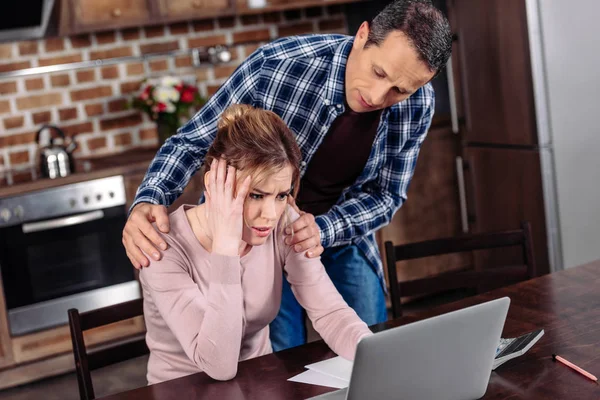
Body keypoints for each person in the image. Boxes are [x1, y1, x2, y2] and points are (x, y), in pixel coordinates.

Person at [123, 0, 452, 351]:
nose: (376, 96)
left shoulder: (419, 104)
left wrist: (322, 230)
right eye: (379, 73)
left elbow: (387, 195)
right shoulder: (277, 66)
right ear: (362, 35)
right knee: (279, 361)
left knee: (370, 347)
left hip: (340, 234)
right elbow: (191, 143)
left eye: (400, 91)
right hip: (254, 240)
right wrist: (149, 197)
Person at [139, 105, 371, 384]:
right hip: (183, 391)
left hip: (261, 384)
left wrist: (377, 357)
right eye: (256, 196)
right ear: (215, 182)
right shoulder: (162, 248)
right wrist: (226, 246)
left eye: (281, 195)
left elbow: (330, 313)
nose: (271, 215)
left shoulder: (284, 219)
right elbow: (219, 365)